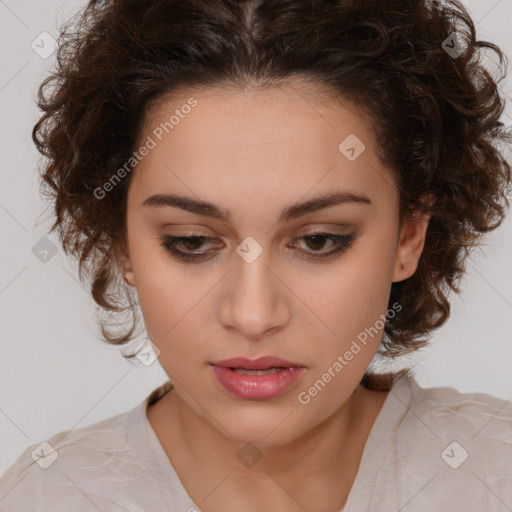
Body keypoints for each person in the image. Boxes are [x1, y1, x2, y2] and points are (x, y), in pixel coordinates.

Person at [1, 0, 511, 510]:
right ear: (121, 242)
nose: (252, 315)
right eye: (192, 241)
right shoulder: (47, 496)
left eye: (319, 240)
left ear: (408, 238)